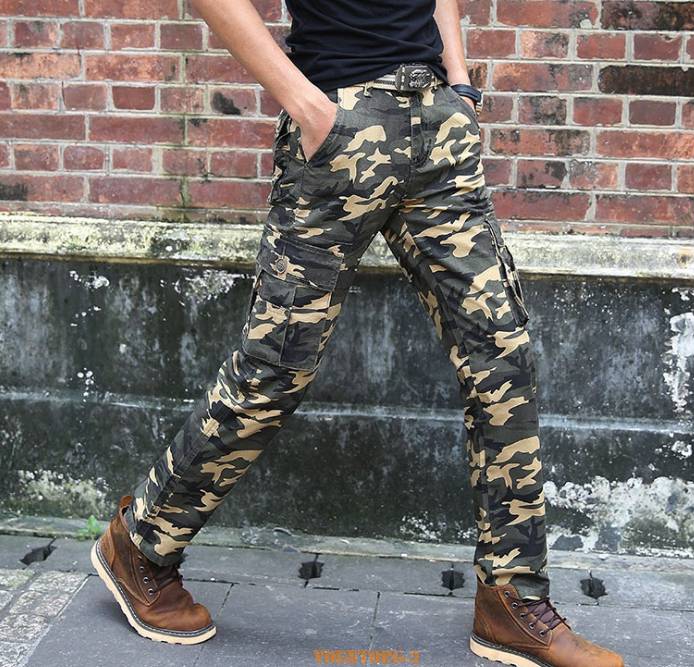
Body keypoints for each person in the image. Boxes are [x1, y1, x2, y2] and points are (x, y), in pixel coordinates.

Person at [90, 1, 624, 665]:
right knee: (275, 369)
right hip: (340, 124)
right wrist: (307, 106)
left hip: (438, 129)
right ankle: (141, 542)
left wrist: (459, 84)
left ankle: (513, 598)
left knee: (502, 354)